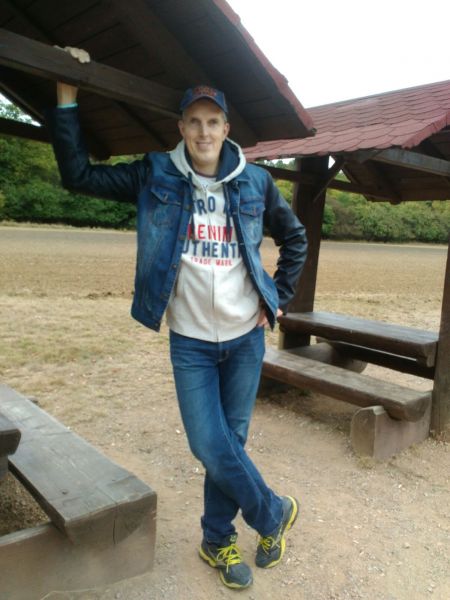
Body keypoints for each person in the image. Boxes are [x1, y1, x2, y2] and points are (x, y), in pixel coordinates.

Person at [46, 47, 308, 590]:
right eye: (194, 121)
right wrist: (67, 97)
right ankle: (273, 511)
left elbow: (295, 237)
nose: (204, 131)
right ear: (181, 128)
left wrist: (277, 298)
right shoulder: (156, 174)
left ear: (226, 128)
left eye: (213, 122)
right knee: (209, 445)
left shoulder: (256, 182)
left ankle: (217, 540)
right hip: (190, 341)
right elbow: (78, 177)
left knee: (229, 445)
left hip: (246, 338)